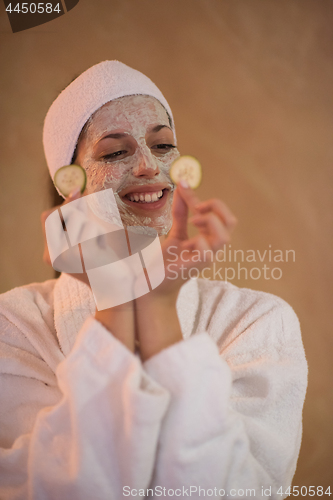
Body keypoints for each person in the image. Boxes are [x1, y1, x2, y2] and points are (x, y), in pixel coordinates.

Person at [0, 61, 307, 500]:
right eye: (114, 152)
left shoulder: (258, 321)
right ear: (70, 187)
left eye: (163, 145)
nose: (149, 166)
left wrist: (159, 307)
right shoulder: (11, 327)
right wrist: (117, 294)